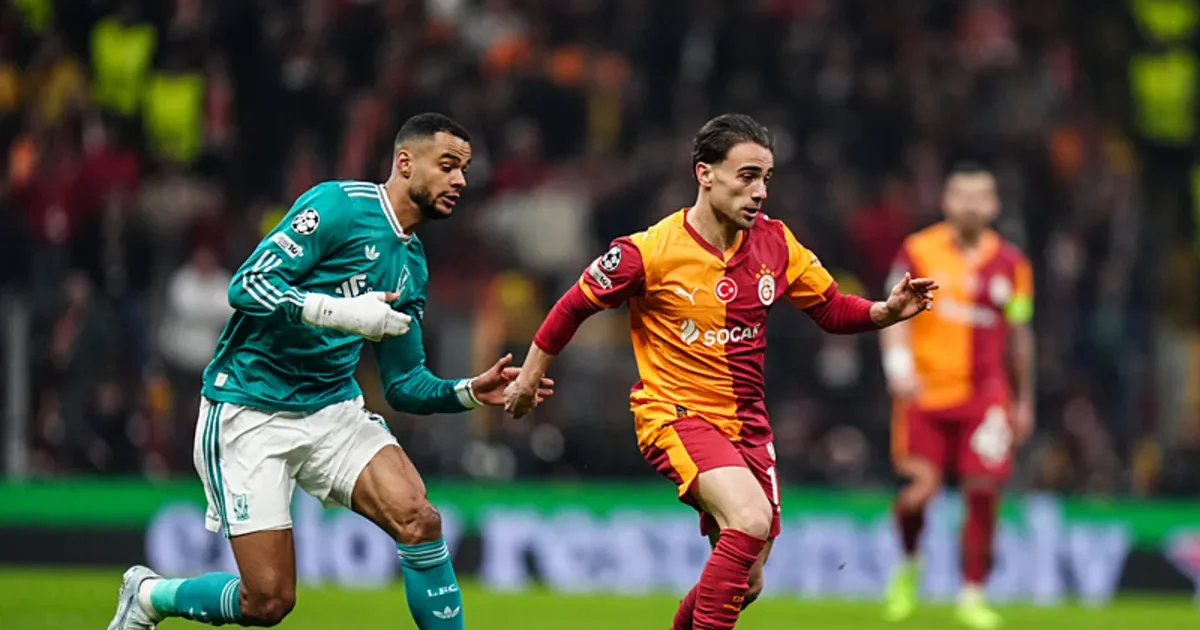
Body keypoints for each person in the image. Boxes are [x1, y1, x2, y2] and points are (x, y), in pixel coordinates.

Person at [107, 113, 553, 630]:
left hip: (331, 411)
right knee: (267, 601)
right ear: (405, 162)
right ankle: (150, 596)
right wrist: (340, 312)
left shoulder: (411, 265)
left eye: (465, 170)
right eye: (448, 165)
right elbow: (247, 285)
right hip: (250, 409)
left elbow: (403, 385)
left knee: (420, 519)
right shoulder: (338, 206)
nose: (460, 181)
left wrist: (470, 391)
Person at [503, 113, 938, 630]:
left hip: (748, 425)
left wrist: (884, 312)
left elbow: (830, 308)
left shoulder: (776, 243)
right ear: (705, 174)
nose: (760, 192)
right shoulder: (648, 252)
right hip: (675, 414)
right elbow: (573, 305)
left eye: (766, 178)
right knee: (749, 519)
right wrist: (529, 377)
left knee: (747, 581)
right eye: (747, 176)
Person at [879, 161, 1035, 630]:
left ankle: (972, 594)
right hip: (924, 394)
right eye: (961, 195)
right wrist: (898, 367)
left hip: (986, 396)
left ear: (994, 205)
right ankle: (910, 561)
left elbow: (1020, 334)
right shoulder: (917, 251)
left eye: (979, 196)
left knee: (983, 490)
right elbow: (892, 312)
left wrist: (1024, 400)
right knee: (919, 492)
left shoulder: (1013, 264)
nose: (970, 205)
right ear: (946, 201)